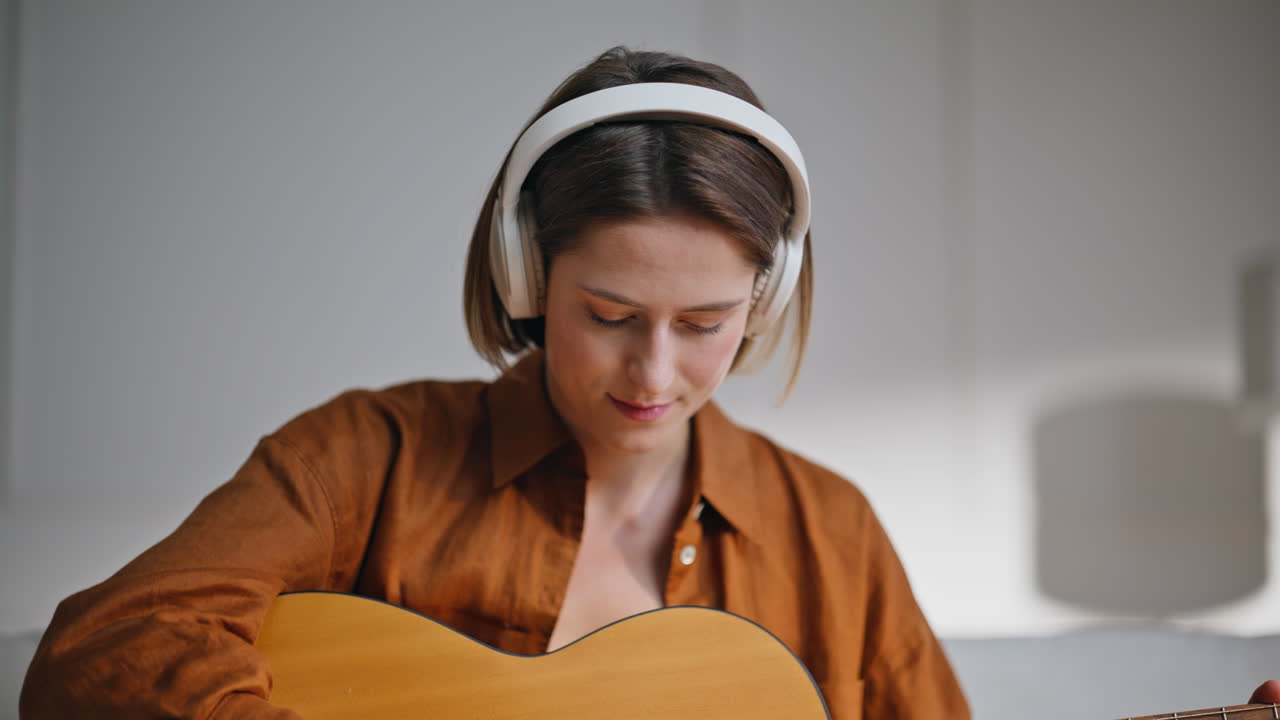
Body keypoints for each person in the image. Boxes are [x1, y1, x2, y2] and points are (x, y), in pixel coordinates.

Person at [17, 46, 1275, 720]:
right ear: (524, 275)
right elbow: (96, 651)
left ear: (763, 305)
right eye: (607, 316)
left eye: (706, 323)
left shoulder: (827, 535)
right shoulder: (366, 455)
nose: (654, 373)